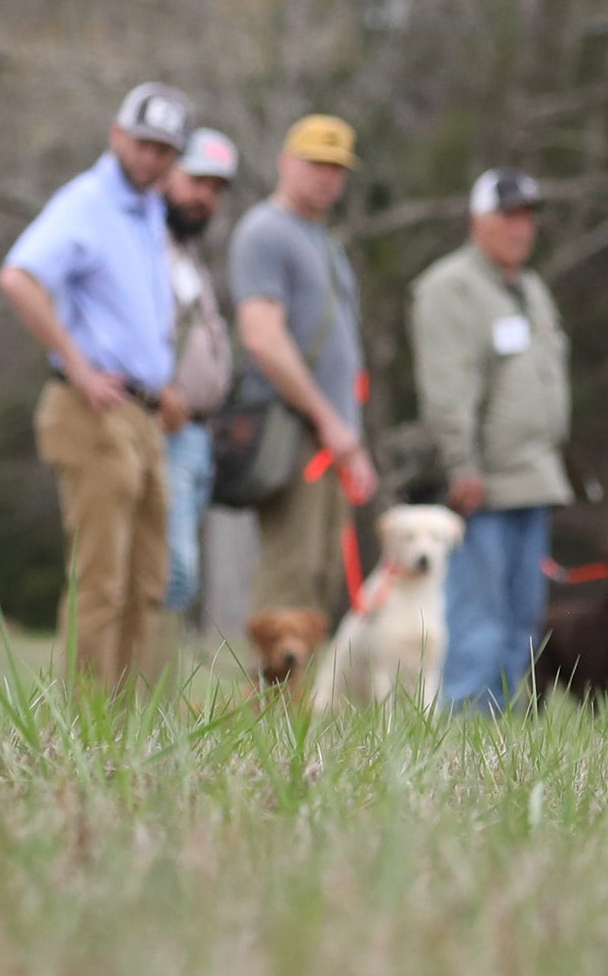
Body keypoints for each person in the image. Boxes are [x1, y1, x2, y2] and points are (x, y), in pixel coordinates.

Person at [0, 83, 193, 689]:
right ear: (116, 136)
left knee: (149, 581)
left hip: (142, 413)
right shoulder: (87, 202)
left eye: (165, 149)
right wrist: (78, 365)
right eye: (143, 144)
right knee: (102, 580)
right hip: (91, 408)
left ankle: (128, 721)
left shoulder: (149, 212)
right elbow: (19, 278)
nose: (151, 158)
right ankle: (85, 726)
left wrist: (162, 387)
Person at [411, 166, 571, 713]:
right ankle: (462, 742)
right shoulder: (450, 287)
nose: (520, 229)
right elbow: (447, 388)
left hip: (535, 479)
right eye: (508, 216)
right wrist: (462, 465)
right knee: (477, 620)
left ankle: (500, 744)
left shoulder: (531, 288)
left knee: (522, 622)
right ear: (477, 220)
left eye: (528, 217)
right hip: (484, 483)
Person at [229, 114, 376, 626]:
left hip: (331, 439)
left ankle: (298, 703)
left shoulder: (324, 240)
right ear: (284, 163)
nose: (326, 176)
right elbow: (262, 337)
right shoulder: (265, 231)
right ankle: (269, 704)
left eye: (337, 167)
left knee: (320, 573)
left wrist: (351, 439)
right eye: (315, 163)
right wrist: (329, 422)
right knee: (291, 570)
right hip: (293, 429)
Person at [158, 127, 241, 630]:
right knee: (170, 569)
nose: (204, 197)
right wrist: (159, 392)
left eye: (215, 188)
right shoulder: (145, 243)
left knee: (178, 575)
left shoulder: (187, 252)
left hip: (195, 433)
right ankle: (118, 698)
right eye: (195, 181)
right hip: (159, 425)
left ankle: (146, 699)